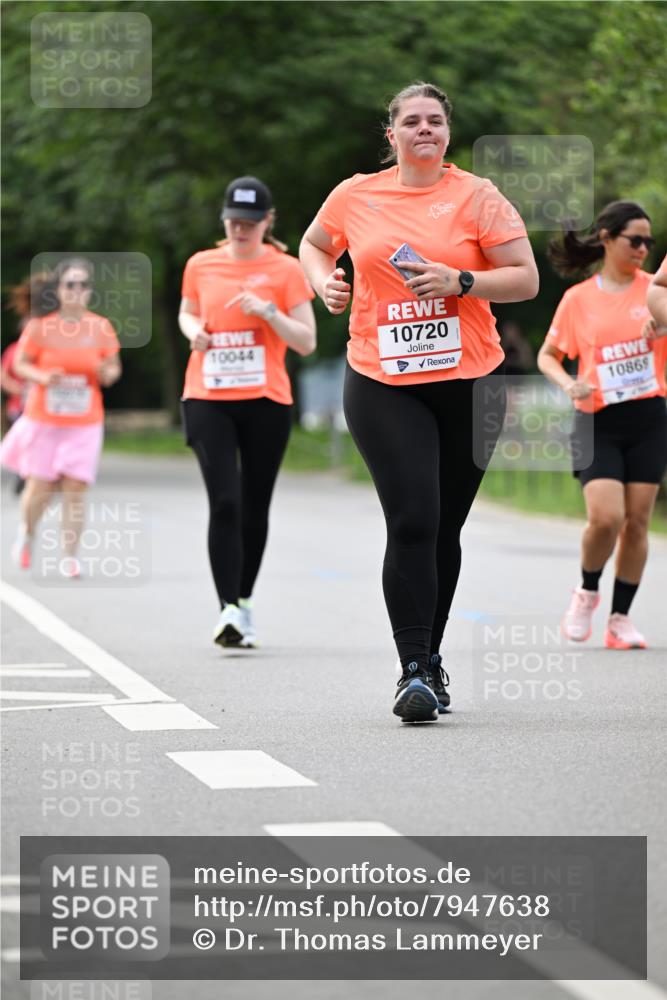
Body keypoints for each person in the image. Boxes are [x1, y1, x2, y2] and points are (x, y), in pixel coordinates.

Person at [299, 82, 538, 722]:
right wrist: (324, 283)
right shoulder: (356, 194)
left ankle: (430, 658)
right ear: (392, 134)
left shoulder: (478, 196)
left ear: (447, 133)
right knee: (412, 519)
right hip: (381, 377)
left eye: (435, 120)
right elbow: (315, 245)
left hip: (472, 380)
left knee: (444, 527)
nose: (424, 129)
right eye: (412, 121)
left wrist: (462, 280)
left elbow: (525, 278)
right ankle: (412, 671)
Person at [179, 176, 316, 649]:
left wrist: (269, 313)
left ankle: (244, 599)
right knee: (225, 502)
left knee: (255, 505)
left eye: (250, 223)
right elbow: (186, 312)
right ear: (224, 220)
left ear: (267, 222)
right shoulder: (201, 263)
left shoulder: (286, 269)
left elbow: (307, 341)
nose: (240, 230)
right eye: (233, 222)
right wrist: (193, 331)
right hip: (208, 397)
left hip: (265, 400)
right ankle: (227, 610)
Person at [537, 202, 667, 649]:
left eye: (649, 241)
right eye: (636, 239)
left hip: (649, 417)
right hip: (597, 419)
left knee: (637, 522)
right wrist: (568, 383)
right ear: (608, 238)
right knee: (606, 518)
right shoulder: (579, 299)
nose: (644, 248)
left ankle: (620, 620)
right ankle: (587, 591)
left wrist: (663, 329)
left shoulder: (656, 291)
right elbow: (547, 356)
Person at [0, 258, 122, 576]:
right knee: (39, 487)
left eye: (83, 285)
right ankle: (27, 533)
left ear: (90, 291)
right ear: (58, 290)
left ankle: (70, 556)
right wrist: (42, 377)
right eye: (70, 284)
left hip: (84, 422)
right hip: (45, 419)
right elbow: (21, 364)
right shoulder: (40, 327)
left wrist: (106, 373)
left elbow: (113, 367)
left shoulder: (100, 327)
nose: (77, 290)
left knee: (75, 489)